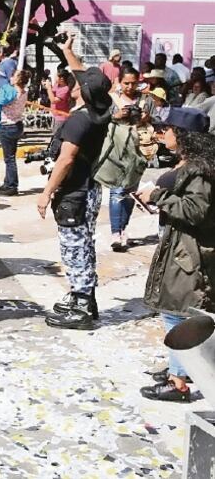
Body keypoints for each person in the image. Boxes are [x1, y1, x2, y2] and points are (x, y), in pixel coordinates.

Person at [133, 109, 214, 402]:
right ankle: (180, 368)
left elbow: (195, 211)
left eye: (167, 129)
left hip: (189, 252)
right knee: (177, 310)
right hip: (183, 247)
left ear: (183, 135)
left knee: (177, 313)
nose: (161, 134)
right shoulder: (194, 164)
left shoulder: (200, 171)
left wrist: (158, 197)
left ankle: (178, 382)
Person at [38, 36, 113, 329]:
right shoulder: (101, 107)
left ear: (82, 90)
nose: (75, 81)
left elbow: (66, 159)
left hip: (75, 193)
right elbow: (85, 76)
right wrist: (67, 51)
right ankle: (85, 297)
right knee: (85, 244)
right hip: (89, 189)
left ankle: (80, 307)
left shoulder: (79, 121)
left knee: (74, 248)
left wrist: (46, 192)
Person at [103, 68, 150, 252]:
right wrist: (115, 116)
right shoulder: (111, 100)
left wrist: (146, 117)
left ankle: (123, 229)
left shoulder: (145, 99)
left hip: (138, 152)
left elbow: (157, 120)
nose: (130, 87)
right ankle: (115, 233)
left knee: (131, 192)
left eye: (133, 83)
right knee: (117, 191)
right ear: (119, 82)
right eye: (126, 83)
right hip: (117, 150)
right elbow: (100, 120)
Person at [0, 63, 29, 197]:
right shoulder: (23, 92)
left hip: (8, 126)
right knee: (10, 157)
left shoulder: (13, 92)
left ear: (18, 80)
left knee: (9, 159)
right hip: (17, 124)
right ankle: (7, 182)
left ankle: (12, 185)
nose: (11, 77)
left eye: (14, 76)